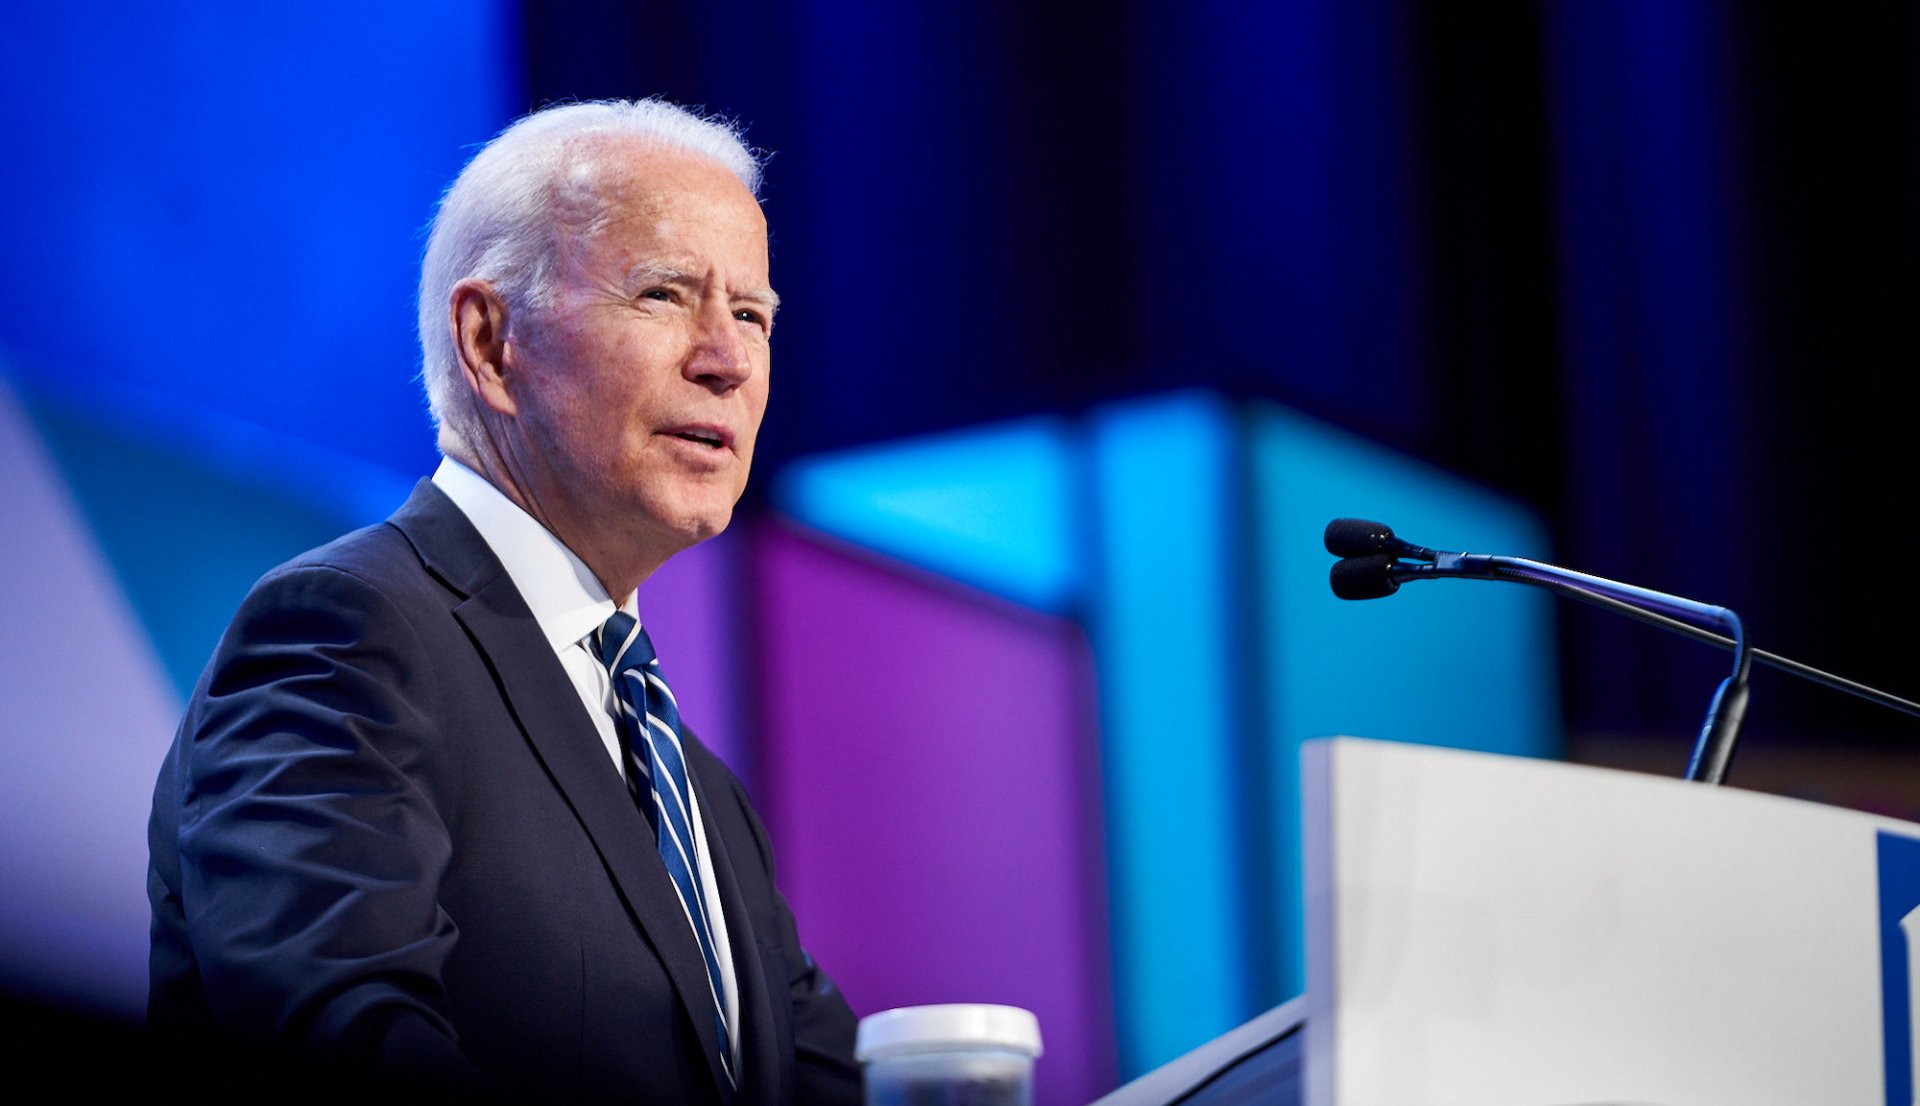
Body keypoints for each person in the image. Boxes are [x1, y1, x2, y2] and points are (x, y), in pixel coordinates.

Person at [146, 99, 861, 1104]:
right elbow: (340, 1031)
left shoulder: (705, 795)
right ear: (491, 342)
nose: (729, 360)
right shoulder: (346, 632)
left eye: (752, 314)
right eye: (664, 294)